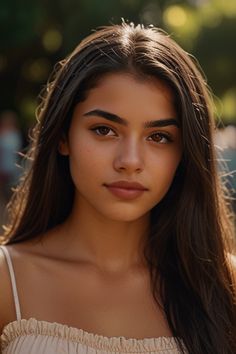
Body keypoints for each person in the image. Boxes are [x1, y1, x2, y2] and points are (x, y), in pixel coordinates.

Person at [0, 23, 235, 354]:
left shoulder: (226, 287)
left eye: (159, 137)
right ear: (64, 136)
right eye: (104, 130)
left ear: (184, 154)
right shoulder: (7, 281)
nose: (130, 161)